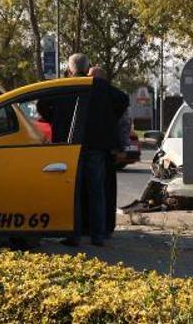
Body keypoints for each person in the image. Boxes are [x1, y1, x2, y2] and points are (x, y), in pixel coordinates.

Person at [62, 55, 128, 247]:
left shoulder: (67, 86)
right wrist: (109, 117)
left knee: (74, 191)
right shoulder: (100, 86)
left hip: (73, 145)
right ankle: (98, 235)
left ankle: (74, 234)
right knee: (96, 191)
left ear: (70, 68)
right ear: (87, 67)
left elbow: (44, 106)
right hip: (97, 146)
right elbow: (123, 99)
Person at [88, 66, 130, 238]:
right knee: (107, 190)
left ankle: (96, 229)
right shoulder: (117, 96)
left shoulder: (90, 93)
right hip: (110, 148)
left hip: (94, 148)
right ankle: (106, 227)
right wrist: (122, 147)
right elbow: (124, 124)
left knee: (96, 190)